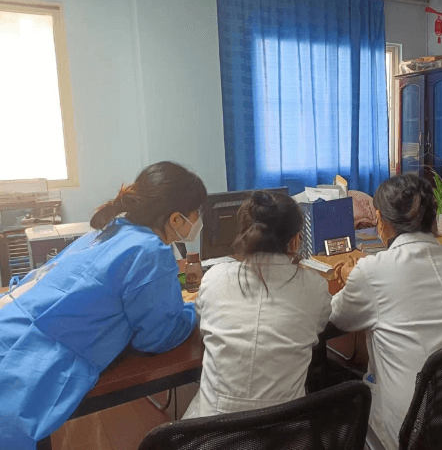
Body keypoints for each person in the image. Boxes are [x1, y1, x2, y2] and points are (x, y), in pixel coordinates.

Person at [0, 161, 206, 449]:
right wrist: (196, 308)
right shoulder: (149, 251)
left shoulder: (111, 230)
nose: (198, 221)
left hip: (11, 324)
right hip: (30, 360)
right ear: (176, 219)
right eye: (197, 213)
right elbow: (158, 337)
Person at [329, 174, 442, 450]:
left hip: (411, 433)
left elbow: (337, 319)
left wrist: (351, 278)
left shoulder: (371, 271)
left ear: (380, 220)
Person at [182, 191, 332, 418]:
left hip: (215, 430)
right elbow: (320, 325)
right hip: (286, 429)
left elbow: (202, 322)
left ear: (245, 237)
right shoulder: (314, 286)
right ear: (295, 240)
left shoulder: (214, 278)